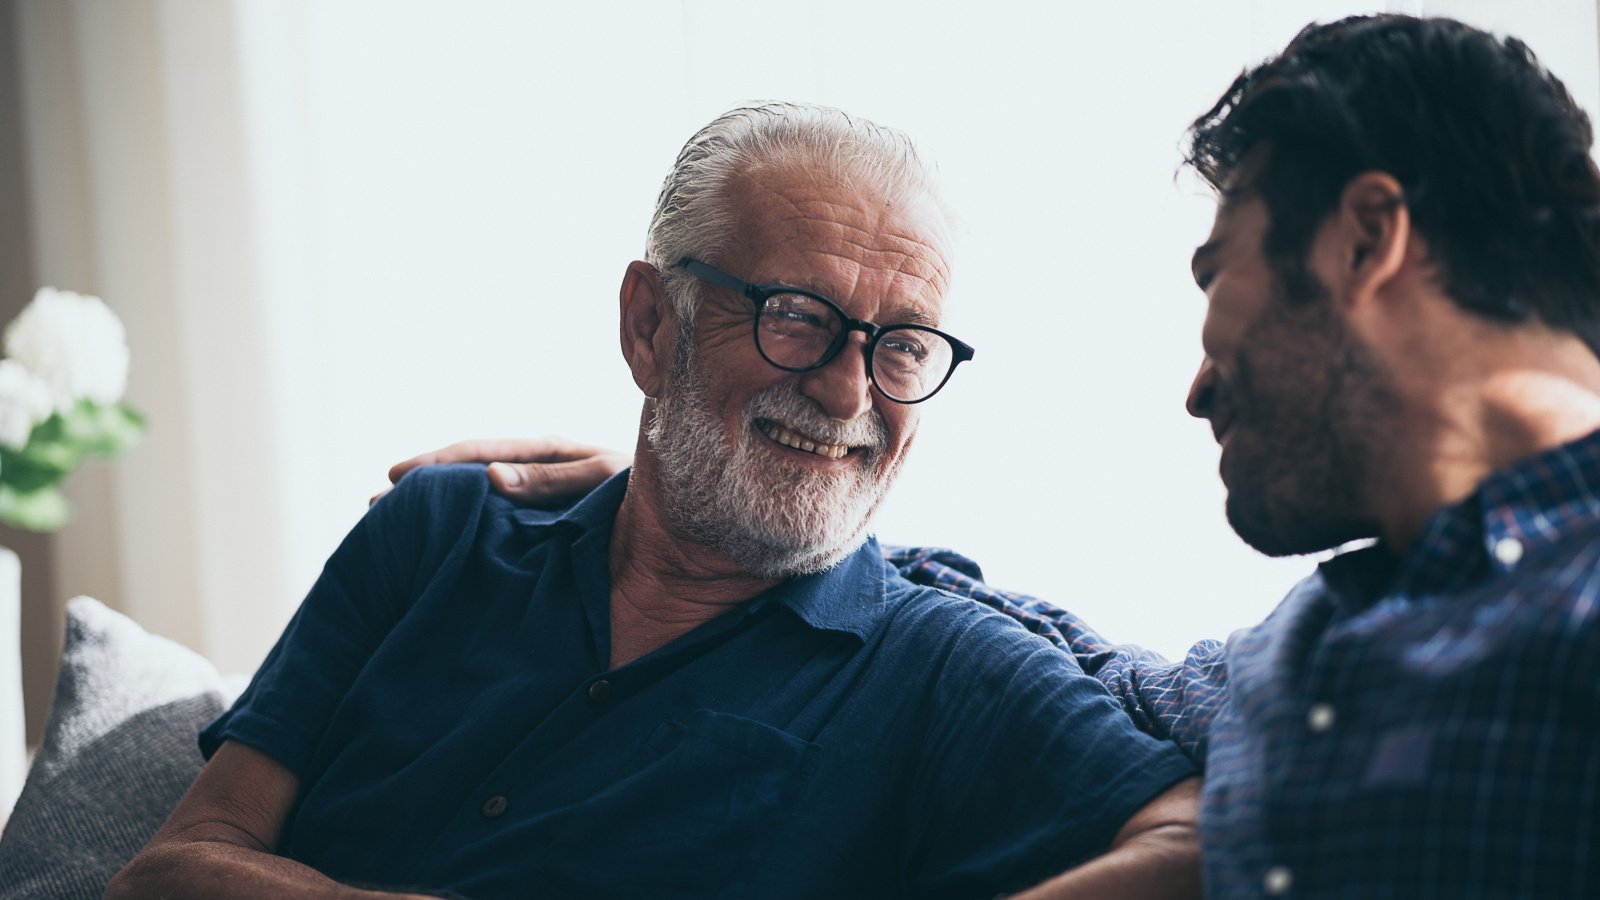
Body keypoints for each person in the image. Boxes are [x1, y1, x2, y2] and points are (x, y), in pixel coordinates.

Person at [408, 15, 1600, 898]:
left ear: (1363, 242)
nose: (1195, 388)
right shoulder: (1301, 656)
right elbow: (1042, 658)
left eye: (1215, 270)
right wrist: (684, 482)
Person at [108, 104, 1200, 899]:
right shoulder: (440, 527)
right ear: (648, 325)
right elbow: (167, 873)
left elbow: (1199, 849)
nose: (845, 389)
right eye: (795, 315)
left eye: (902, 346)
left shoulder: (939, 664)